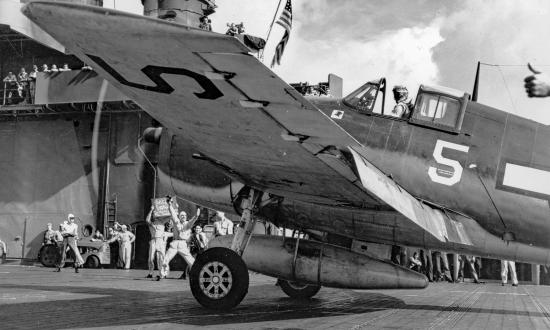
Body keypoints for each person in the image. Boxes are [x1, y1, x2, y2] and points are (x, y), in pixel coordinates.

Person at [162, 198, 200, 279]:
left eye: (185, 215)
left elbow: (192, 221)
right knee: (165, 259)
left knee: (191, 261)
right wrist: (169, 205)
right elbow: (173, 214)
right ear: (179, 216)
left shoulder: (187, 224)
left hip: (183, 244)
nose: (183, 216)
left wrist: (196, 216)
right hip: (175, 243)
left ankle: (198, 274)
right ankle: (163, 274)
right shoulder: (177, 222)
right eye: (182, 215)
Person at [145, 205, 170, 280]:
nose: (155, 215)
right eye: (154, 214)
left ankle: (163, 273)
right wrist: (151, 210)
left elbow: (171, 216)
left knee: (161, 257)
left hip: (160, 241)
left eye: (155, 213)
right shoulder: (151, 223)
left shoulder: (162, 222)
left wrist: (174, 207)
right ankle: (150, 273)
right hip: (153, 241)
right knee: (151, 258)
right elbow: (147, 220)